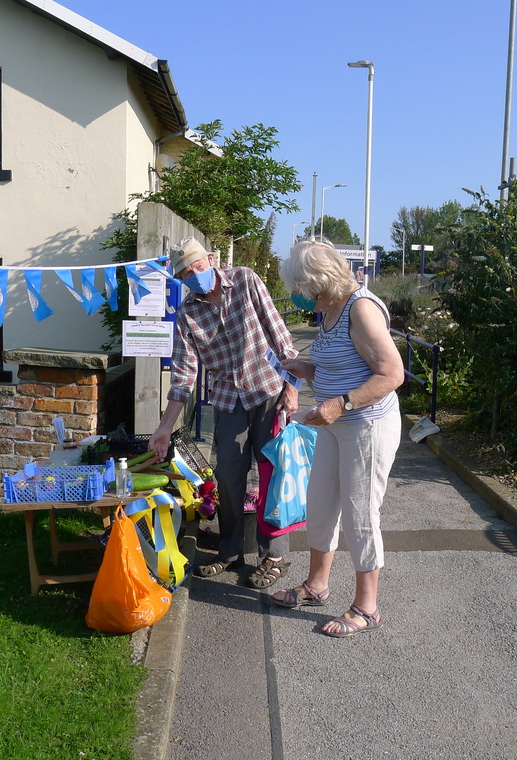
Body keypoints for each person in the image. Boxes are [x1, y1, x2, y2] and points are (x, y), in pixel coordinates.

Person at [272, 238, 405, 637]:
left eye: (298, 287)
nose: (295, 295)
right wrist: (305, 368)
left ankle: (367, 607)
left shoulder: (360, 308)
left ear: (318, 281)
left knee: (360, 513)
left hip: (365, 426)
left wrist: (337, 406)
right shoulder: (328, 309)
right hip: (334, 425)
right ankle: (317, 585)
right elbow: (342, 363)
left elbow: (392, 374)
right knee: (321, 503)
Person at [149, 237, 299, 589]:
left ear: (212, 260)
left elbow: (280, 336)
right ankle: (230, 550)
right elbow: (184, 374)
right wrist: (164, 427)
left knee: (272, 476)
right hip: (229, 401)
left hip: (268, 392)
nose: (194, 275)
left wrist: (292, 389)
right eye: (186, 274)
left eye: (198, 267)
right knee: (228, 479)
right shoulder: (188, 313)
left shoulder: (245, 280)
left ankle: (274, 555)